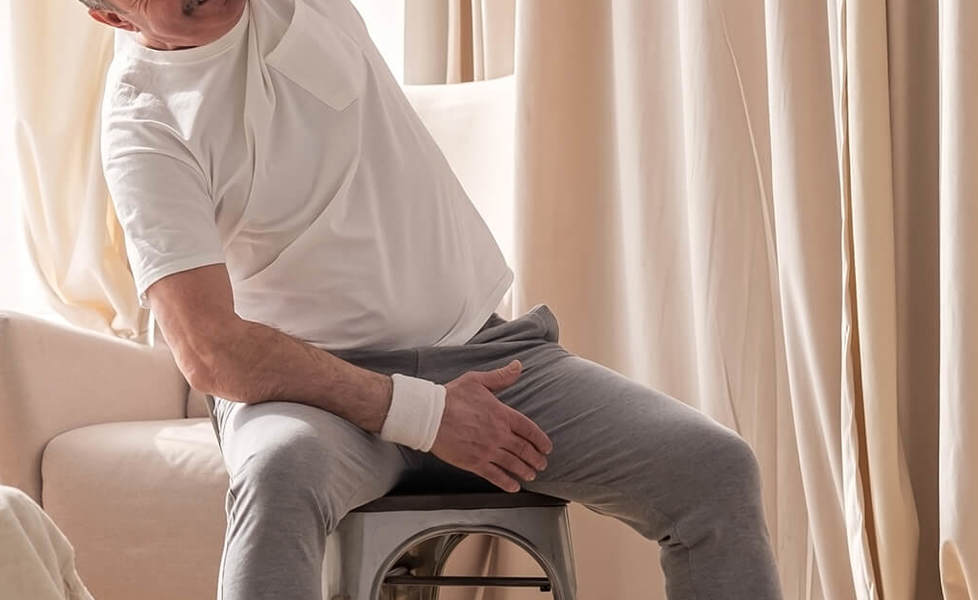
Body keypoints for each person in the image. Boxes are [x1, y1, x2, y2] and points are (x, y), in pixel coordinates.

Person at [79, 0, 783, 598]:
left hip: (491, 358)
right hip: (313, 397)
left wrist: (441, 404)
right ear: (109, 11)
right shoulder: (143, 122)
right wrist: (421, 412)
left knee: (712, 470)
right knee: (278, 472)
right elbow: (212, 352)